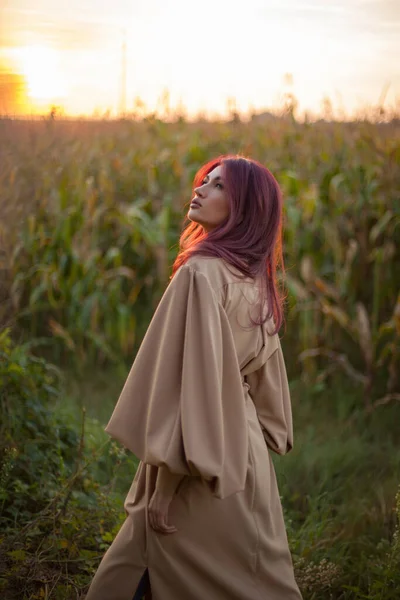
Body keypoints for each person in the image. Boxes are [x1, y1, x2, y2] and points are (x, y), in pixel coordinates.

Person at [85, 155, 302, 600]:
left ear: (245, 207)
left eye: (219, 186)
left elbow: (188, 389)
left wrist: (164, 488)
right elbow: (266, 383)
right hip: (242, 461)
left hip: (195, 466)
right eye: (206, 180)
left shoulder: (200, 273)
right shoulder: (254, 279)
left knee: (133, 577)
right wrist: (254, 438)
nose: (200, 189)